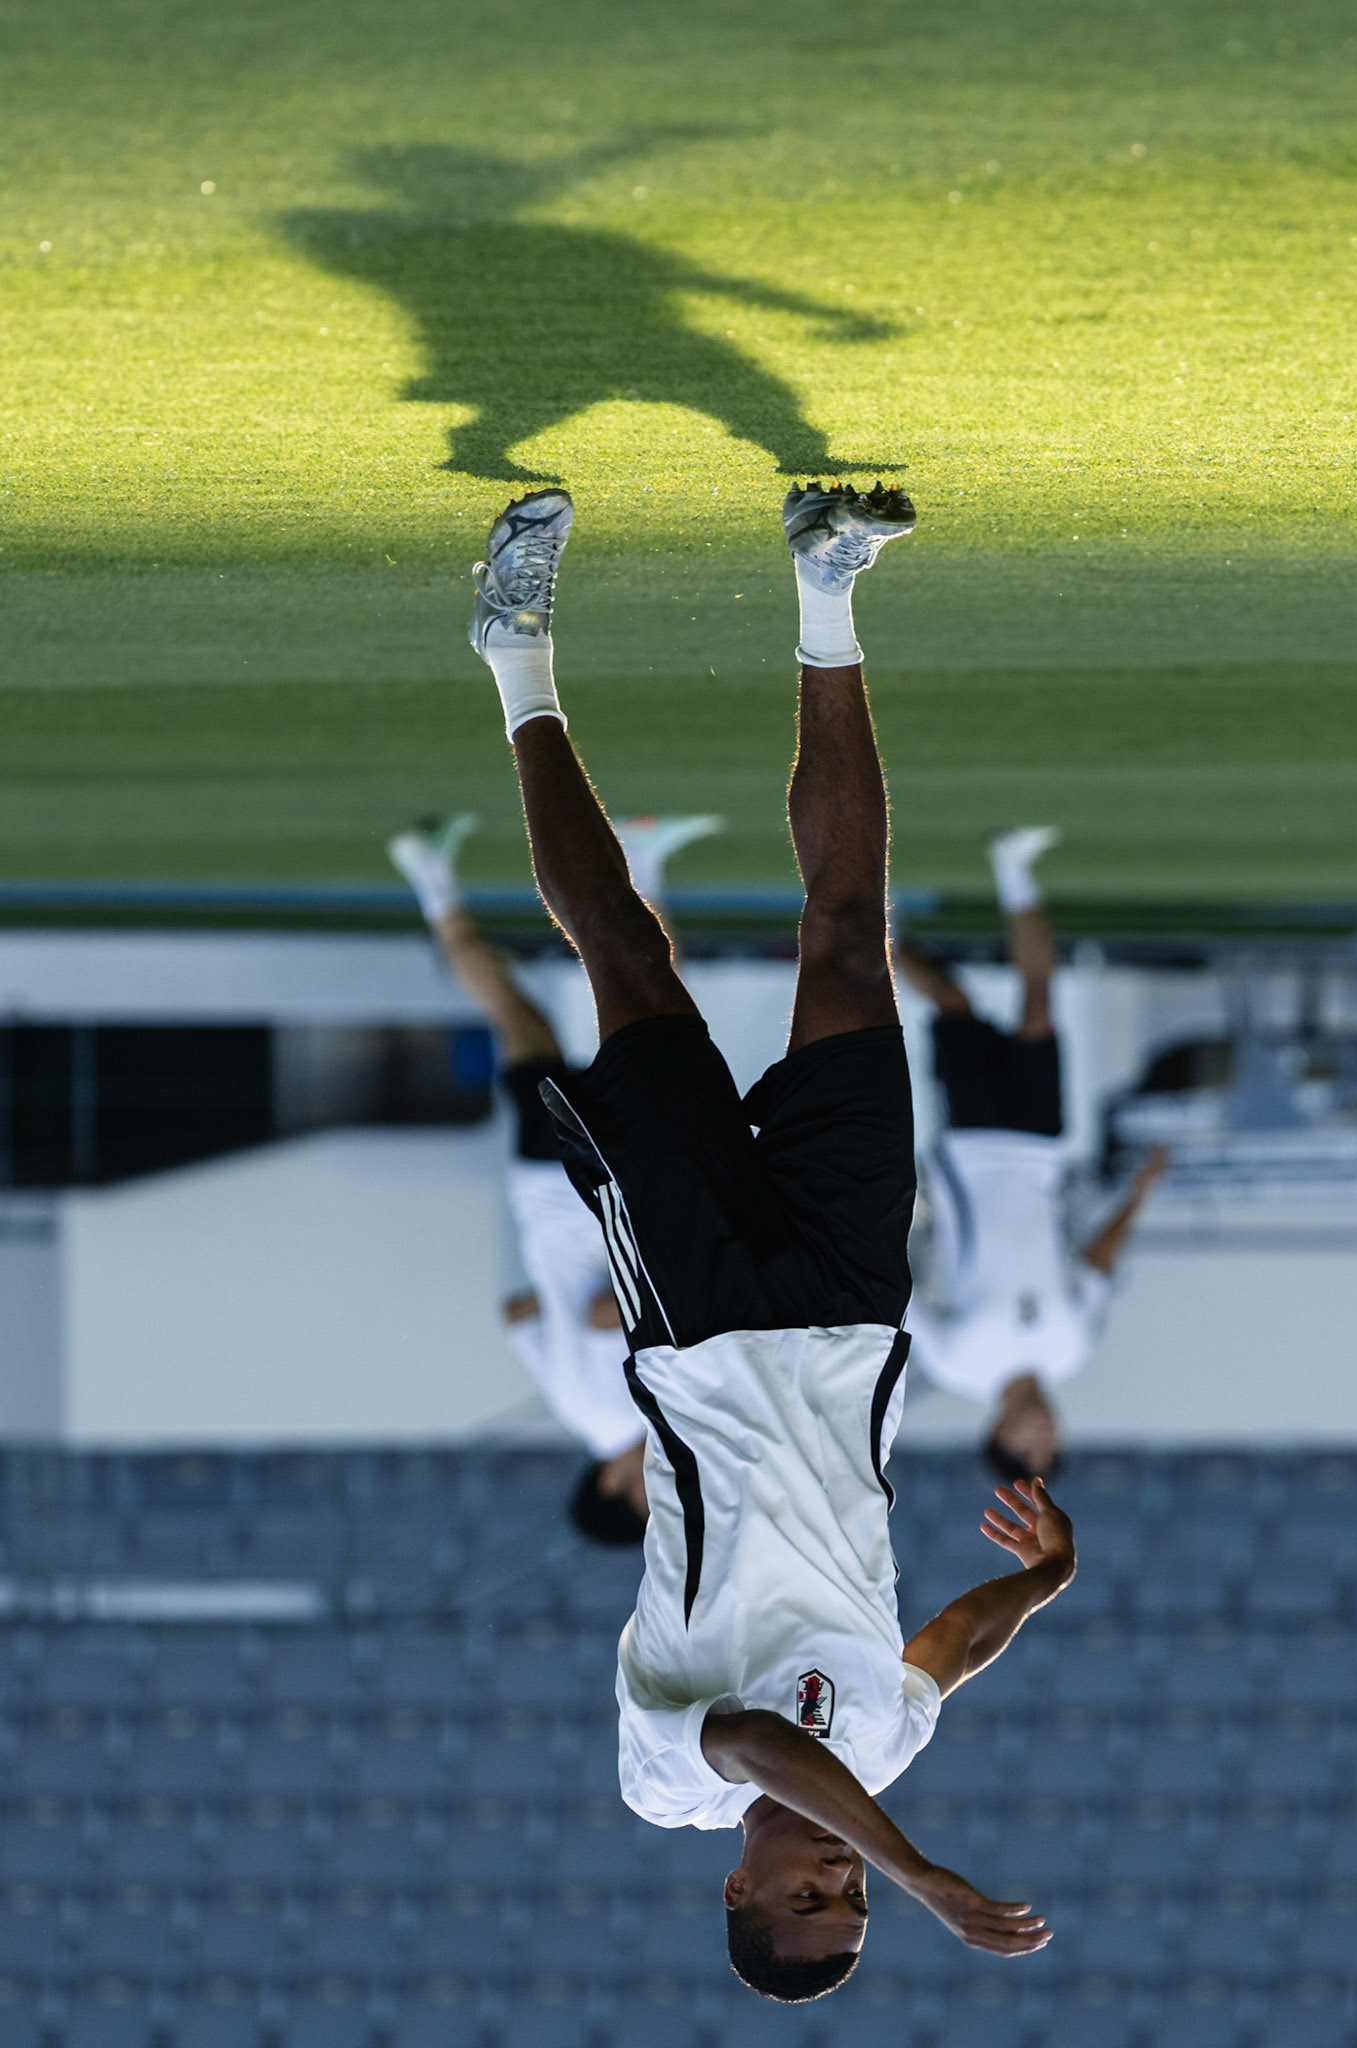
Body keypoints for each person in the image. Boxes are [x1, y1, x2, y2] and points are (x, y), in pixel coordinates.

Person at [465, 475, 1075, 1999]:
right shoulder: (883, 1746)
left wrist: (929, 1873)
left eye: (808, 1895)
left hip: (703, 1325)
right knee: (844, 929)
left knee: (625, 957)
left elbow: (754, 1743)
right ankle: (826, 582)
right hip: (854, 1309)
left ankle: (514, 651)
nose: (839, 1876)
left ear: (737, 1893)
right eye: (853, 1902)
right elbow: (942, 1655)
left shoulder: (670, 1784)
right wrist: (1039, 1589)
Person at [387, 811, 719, 1543]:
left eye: (642, 1498)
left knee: (660, 1028)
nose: (656, 1486)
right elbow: (520, 1315)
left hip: (594, 1188)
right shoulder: (577, 1411)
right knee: (519, 1017)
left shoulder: (609, 1416)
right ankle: (429, 873)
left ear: (608, 1482)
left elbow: (604, 1316)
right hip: (548, 1191)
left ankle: (638, 858)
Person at [899, 833, 1169, 1477]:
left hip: (970, 1156)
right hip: (1041, 1154)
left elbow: (893, 1289)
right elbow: (1097, 1266)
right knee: (1041, 1008)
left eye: (1033, 1446)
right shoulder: (1069, 1347)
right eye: (1054, 1444)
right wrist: (1140, 1194)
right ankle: (1012, 866)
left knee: (953, 1002)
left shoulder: (955, 1362)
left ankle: (874, 934)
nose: (1048, 1431)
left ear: (999, 1434)